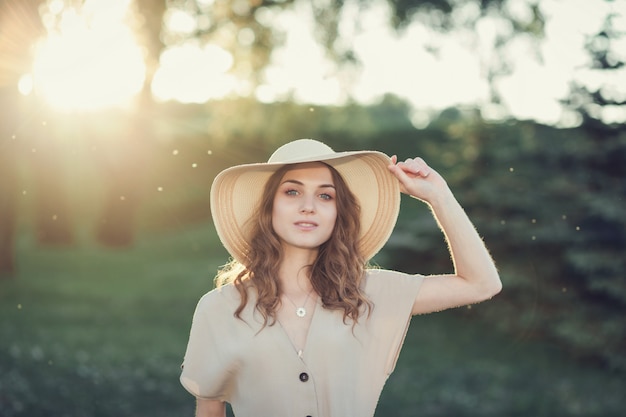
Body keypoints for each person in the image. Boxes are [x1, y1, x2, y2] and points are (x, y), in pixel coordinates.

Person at [180, 139, 501, 417]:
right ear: (269, 207)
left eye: (325, 196)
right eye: (292, 192)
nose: (308, 207)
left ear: (338, 213)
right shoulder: (220, 308)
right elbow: (209, 409)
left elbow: (481, 283)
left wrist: (439, 197)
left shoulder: (370, 293)